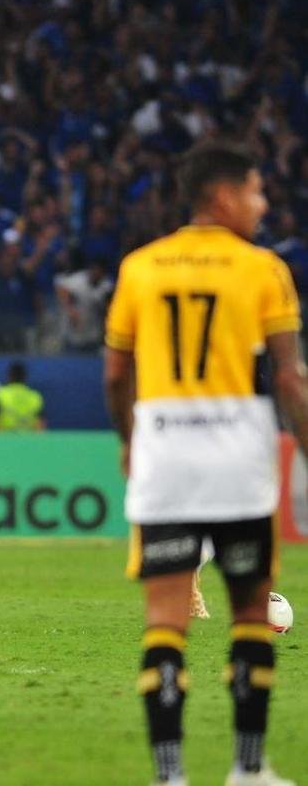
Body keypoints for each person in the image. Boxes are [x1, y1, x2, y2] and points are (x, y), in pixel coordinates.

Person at [104, 143, 308, 786]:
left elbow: (115, 374)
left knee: (164, 624)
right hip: (237, 465)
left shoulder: (141, 267)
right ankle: (248, 770)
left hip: (165, 461)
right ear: (223, 197)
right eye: (254, 191)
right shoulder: (263, 269)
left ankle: (170, 776)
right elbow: (288, 378)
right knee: (251, 614)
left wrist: (131, 439)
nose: (262, 202)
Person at [0, 361, 46, 432]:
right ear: (25, 377)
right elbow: (40, 424)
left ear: (9, 376)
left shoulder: (1, 395)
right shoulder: (35, 396)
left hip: (5, 440)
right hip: (29, 440)